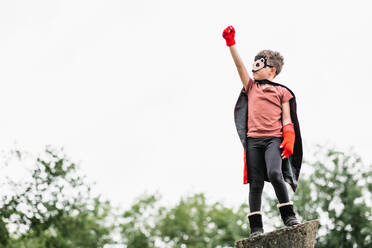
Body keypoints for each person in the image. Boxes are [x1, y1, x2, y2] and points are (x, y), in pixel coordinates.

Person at [222, 25, 303, 238]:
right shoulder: (251, 87)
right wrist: (231, 44)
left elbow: (287, 117)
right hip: (253, 142)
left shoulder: (282, 92)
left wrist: (289, 136)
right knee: (255, 183)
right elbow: (239, 67)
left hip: (273, 140)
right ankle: (256, 227)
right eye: (254, 64)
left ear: (272, 70)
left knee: (276, 173)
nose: (254, 68)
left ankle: (289, 215)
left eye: (260, 65)